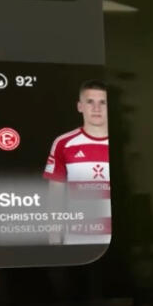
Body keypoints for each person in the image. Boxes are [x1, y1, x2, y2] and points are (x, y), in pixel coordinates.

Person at [41, 81, 112, 244]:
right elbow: (55, 197)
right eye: (90, 102)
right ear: (80, 106)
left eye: (103, 102)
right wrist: (54, 240)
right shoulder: (63, 143)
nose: (96, 108)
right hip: (77, 239)